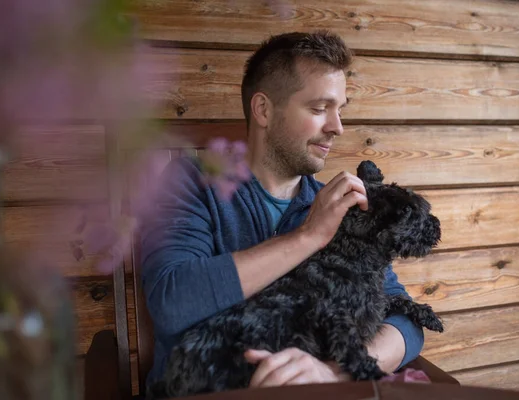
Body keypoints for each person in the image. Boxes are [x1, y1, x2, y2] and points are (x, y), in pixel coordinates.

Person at [140, 30, 424, 392]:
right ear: (263, 110)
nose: (337, 127)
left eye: (340, 110)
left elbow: (405, 321)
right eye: (320, 109)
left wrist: (334, 372)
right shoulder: (191, 182)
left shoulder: (335, 206)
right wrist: (308, 236)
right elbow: (172, 301)